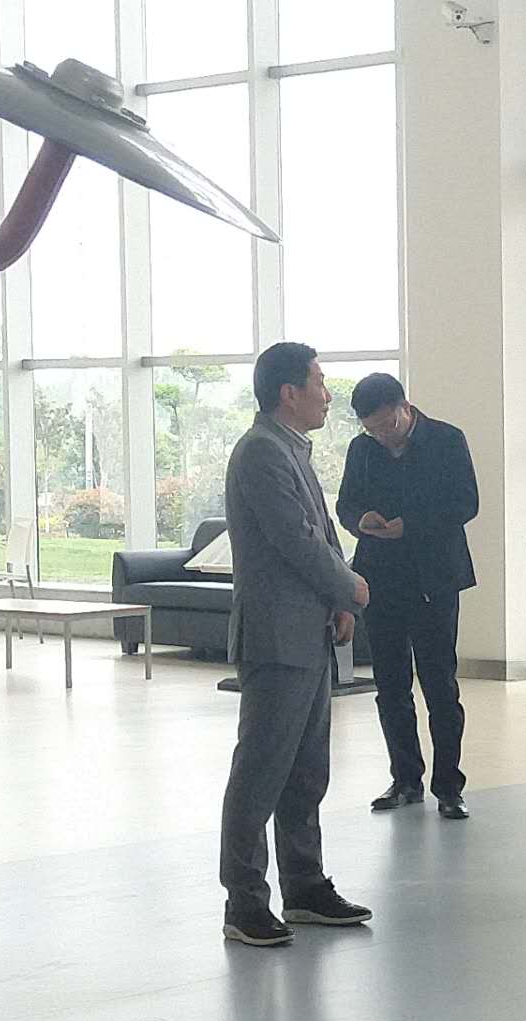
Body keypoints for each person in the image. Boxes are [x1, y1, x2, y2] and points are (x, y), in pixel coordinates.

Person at [220, 342, 373, 947]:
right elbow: (295, 539)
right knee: (261, 771)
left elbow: (321, 533)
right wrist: (351, 586)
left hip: (309, 632)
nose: (327, 395)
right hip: (276, 636)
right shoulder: (261, 451)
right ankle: (244, 902)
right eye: (319, 382)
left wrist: (338, 600)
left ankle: (304, 886)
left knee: (306, 770)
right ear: (289, 392)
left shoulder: (291, 448)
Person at [337, 373, 479, 821]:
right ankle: (405, 779)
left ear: (406, 406)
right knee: (391, 685)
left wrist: (411, 524)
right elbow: (345, 505)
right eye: (373, 429)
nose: (383, 435)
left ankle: (449, 786)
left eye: (388, 424)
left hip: (434, 578)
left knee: (440, 685)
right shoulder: (362, 449)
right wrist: (362, 519)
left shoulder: (447, 440)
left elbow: (466, 503)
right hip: (381, 578)